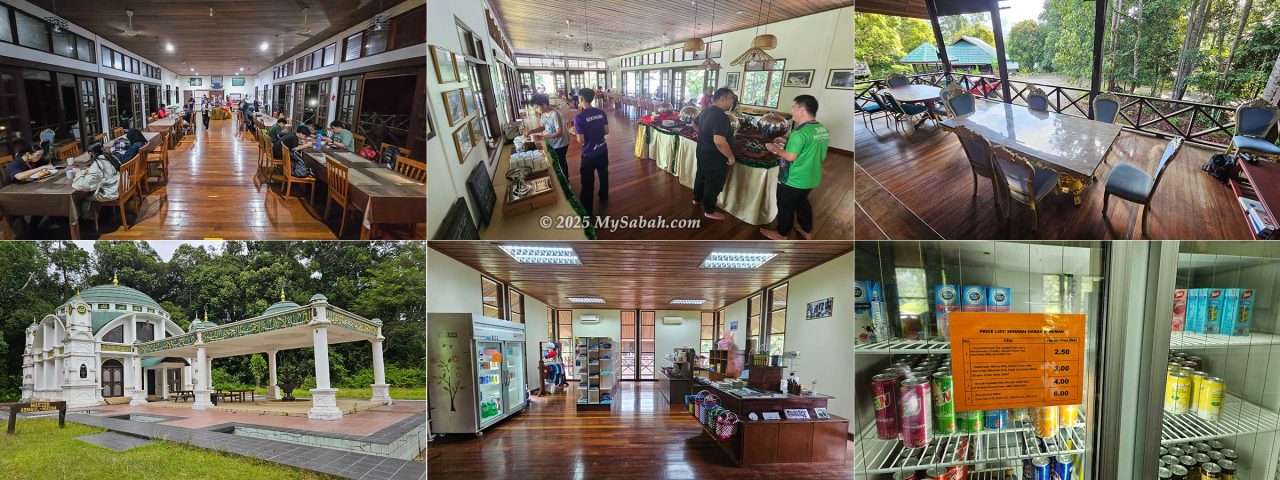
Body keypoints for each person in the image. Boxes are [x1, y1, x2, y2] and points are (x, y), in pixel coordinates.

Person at [760, 95, 829, 240]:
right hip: (811, 177)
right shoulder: (821, 129)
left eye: (794, 107)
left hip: (793, 179)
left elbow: (790, 156)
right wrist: (786, 139)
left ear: (802, 109)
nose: (792, 110)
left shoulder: (799, 133)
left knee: (786, 206)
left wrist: (774, 148)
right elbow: (810, 147)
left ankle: (782, 234)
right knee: (802, 203)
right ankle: (806, 230)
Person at [692, 88, 737, 220]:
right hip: (714, 157)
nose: (732, 102)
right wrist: (730, 156)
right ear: (722, 99)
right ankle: (709, 210)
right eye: (731, 99)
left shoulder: (706, 110)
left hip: (701, 151)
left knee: (701, 176)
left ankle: (696, 199)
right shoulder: (722, 117)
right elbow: (719, 141)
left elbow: (694, 125)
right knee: (713, 184)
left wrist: (704, 136)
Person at [572, 87, 610, 216]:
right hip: (602, 150)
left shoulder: (579, 118)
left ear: (581, 99)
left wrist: (574, 132)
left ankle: (587, 210)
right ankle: (604, 195)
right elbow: (606, 131)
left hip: (589, 154)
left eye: (578, 98)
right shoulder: (601, 112)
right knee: (603, 174)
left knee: (587, 182)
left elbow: (581, 140)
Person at [71, 142, 123, 220]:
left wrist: (78, 174)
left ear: (91, 153)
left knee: (86, 197)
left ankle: (88, 218)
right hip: (119, 187)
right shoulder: (109, 157)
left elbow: (83, 185)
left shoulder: (97, 165)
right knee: (92, 191)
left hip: (111, 192)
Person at [526, 94, 570, 174]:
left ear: (544, 105)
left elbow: (559, 133)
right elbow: (542, 127)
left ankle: (565, 180)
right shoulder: (543, 114)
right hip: (553, 141)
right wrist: (531, 131)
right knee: (558, 160)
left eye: (536, 107)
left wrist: (542, 137)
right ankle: (562, 176)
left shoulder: (555, 115)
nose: (536, 110)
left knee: (560, 162)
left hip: (561, 143)